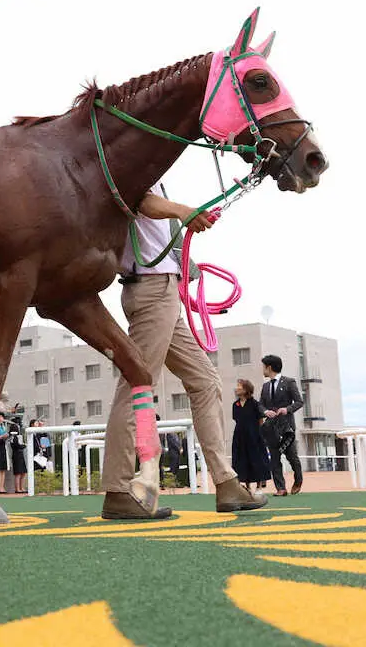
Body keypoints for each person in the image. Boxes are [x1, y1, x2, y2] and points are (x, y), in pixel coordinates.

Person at [101, 183, 266, 519]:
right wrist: (184, 212)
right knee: (136, 387)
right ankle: (118, 490)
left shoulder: (157, 168)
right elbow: (141, 200)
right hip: (149, 289)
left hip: (163, 290)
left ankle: (226, 482)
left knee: (206, 381)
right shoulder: (139, 156)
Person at [258, 355, 304, 496]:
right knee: (274, 458)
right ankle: (281, 488)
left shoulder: (289, 382)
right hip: (271, 428)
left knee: (292, 457)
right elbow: (260, 404)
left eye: (263, 366)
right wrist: (265, 411)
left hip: (286, 428)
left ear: (269, 367)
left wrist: (287, 409)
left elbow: (299, 402)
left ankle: (298, 480)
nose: (262, 369)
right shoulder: (265, 386)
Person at [232, 379, 272, 493]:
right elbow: (236, 419)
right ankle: (247, 487)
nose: (237, 388)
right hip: (240, 436)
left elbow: (260, 419)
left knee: (257, 459)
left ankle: (259, 486)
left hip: (254, 435)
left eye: (239, 386)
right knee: (241, 460)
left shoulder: (254, 403)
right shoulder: (235, 405)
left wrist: (260, 434)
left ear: (246, 389)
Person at [9, 418, 28, 493]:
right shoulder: (13, 437)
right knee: (18, 473)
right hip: (16, 455)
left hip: (20, 455)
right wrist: (23, 446)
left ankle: (22, 487)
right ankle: (18, 489)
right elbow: (16, 446)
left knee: (23, 472)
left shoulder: (17, 437)